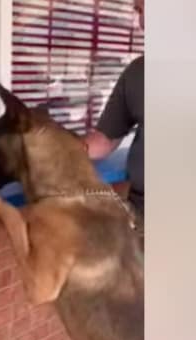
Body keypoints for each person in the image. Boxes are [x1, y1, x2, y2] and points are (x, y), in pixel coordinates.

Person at [85, 0, 145, 240]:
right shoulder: (137, 73)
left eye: (141, 9)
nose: (139, 21)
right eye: (137, 11)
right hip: (142, 212)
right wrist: (53, 148)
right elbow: (103, 140)